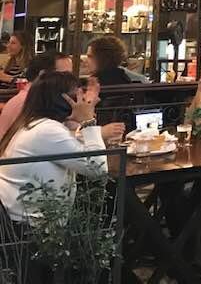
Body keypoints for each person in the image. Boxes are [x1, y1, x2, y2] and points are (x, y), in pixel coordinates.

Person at [0, 72, 125, 223]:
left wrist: (85, 122)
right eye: (78, 95)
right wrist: (88, 121)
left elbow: (74, 146)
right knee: (115, 196)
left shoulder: (36, 124)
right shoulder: (47, 130)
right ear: (65, 100)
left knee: (114, 195)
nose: (82, 101)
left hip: (21, 220)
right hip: (31, 228)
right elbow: (97, 169)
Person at [0, 51, 72, 140]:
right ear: (43, 75)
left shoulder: (39, 97)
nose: (70, 80)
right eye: (64, 75)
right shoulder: (29, 101)